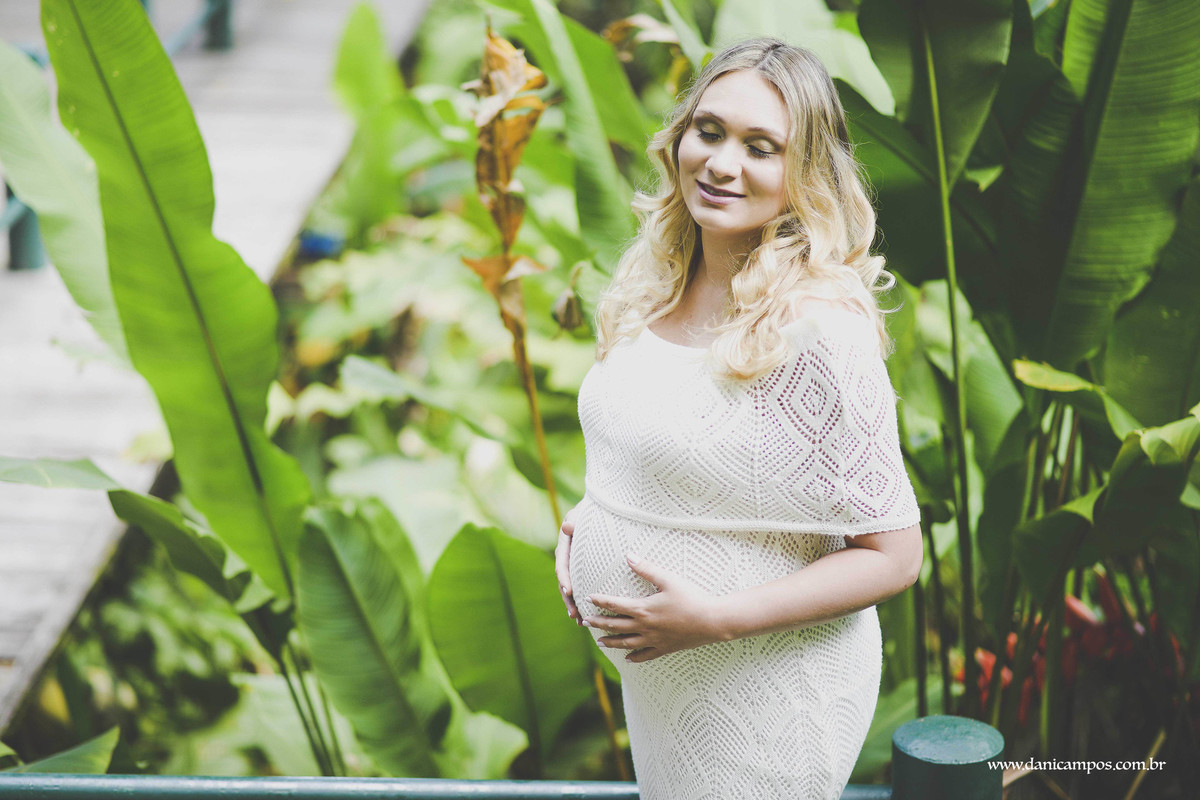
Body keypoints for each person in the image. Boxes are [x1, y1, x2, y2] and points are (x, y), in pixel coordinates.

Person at [554, 36, 923, 800]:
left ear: (803, 175)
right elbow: (673, 450)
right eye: (710, 131)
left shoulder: (818, 327)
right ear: (680, 134)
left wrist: (714, 618)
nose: (722, 164)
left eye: (762, 147)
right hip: (666, 688)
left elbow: (893, 555)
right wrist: (592, 523)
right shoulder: (653, 282)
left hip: (766, 693)